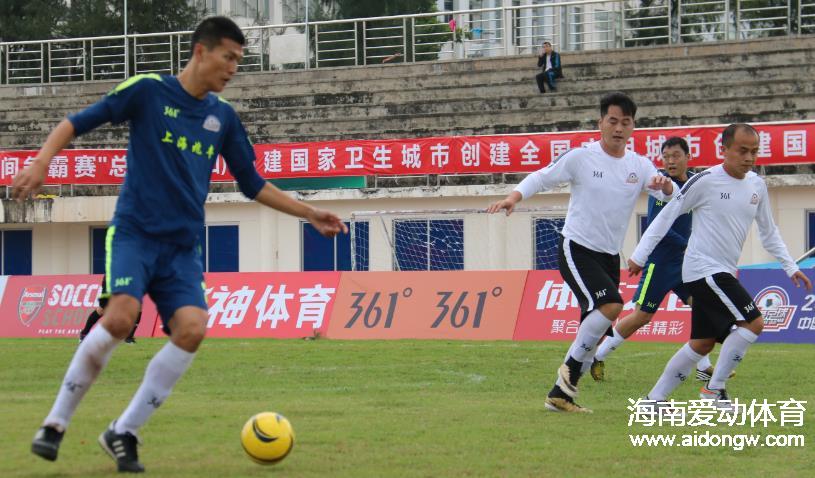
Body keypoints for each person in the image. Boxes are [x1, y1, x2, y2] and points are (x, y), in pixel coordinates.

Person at [17, 16, 347, 473]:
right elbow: (74, 122)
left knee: (192, 329)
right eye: (228, 57)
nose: (233, 69)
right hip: (134, 233)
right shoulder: (149, 91)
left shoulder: (223, 118)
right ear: (200, 52)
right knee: (120, 317)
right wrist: (40, 164)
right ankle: (55, 423)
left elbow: (252, 183)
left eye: (239, 60)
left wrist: (309, 213)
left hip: (181, 250)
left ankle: (123, 431)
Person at [488, 92, 676, 413]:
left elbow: (673, 196)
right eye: (613, 121)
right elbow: (542, 177)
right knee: (612, 305)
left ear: (633, 127)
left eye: (626, 123)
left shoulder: (639, 165)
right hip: (576, 248)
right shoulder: (581, 157)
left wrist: (667, 187)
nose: (619, 128)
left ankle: (561, 394)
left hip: (608, 255)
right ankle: (568, 374)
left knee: (597, 326)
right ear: (600, 122)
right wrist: (514, 197)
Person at [629, 123, 812, 409]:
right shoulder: (705, 181)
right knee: (754, 323)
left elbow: (768, 231)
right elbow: (666, 215)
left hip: (721, 270)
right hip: (703, 269)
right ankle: (714, 391)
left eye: (754, 151)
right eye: (742, 151)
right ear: (723, 150)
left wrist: (790, 267)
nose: (749, 158)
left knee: (702, 343)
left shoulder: (757, 185)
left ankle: (653, 401)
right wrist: (640, 255)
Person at [591, 137, 727, 382]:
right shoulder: (662, 185)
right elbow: (657, 226)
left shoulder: (696, 182)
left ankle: (702, 366)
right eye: (666, 157)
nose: (670, 161)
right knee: (642, 316)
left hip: (685, 265)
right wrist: (688, 245)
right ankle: (598, 355)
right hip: (660, 263)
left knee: (703, 305)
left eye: (675, 155)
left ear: (688, 157)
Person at [79, 275, 141, 344]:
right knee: (102, 309)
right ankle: (84, 333)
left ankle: (129, 337)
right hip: (112, 277)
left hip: (129, 277)